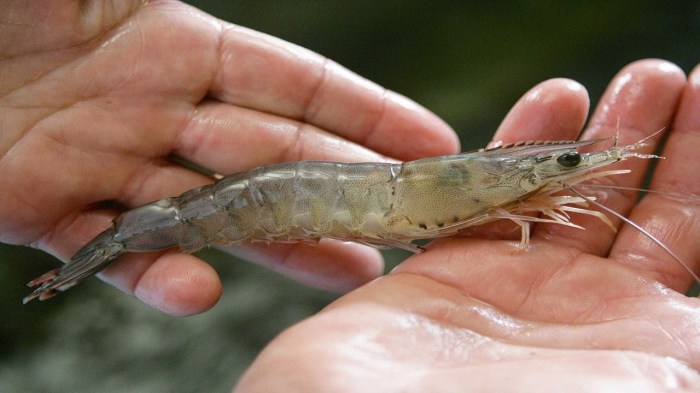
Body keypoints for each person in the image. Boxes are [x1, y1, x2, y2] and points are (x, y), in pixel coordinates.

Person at [1, 2, 698, 391]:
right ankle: (95, 255)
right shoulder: (483, 196)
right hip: (273, 201)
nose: (573, 168)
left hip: (340, 199)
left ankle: (81, 263)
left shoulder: (492, 188)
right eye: (567, 161)